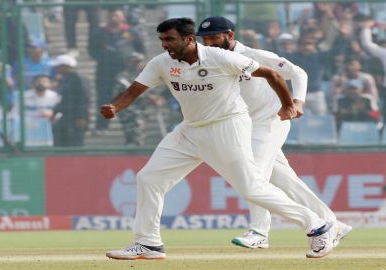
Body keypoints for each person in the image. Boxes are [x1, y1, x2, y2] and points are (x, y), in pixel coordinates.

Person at [100, 18, 339, 260]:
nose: (165, 45)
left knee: (252, 188)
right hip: (190, 129)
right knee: (149, 178)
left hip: (227, 126)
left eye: (170, 39)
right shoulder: (161, 63)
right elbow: (133, 91)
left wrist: (289, 105)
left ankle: (318, 226)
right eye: (162, 40)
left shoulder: (220, 57)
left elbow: (272, 74)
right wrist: (115, 107)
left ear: (189, 39)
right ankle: (148, 243)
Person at [197, 16, 351, 251]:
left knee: (253, 175)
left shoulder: (255, 56)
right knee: (286, 181)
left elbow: (298, 73)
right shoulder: (209, 61)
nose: (208, 43)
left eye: (214, 37)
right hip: (245, 126)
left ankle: (259, 232)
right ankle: (332, 223)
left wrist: (297, 102)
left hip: (271, 121)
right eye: (205, 39)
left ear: (230, 35)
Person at [88, 8, 145, 134]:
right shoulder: (99, 32)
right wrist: (105, 56)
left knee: (128, 100)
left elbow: (141, 50)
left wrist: (134, 61)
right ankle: (101, 127)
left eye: (116, 14)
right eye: (111, 14)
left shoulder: (132, 32)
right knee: (103, 97)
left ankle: (131, 133)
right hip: (105, 71)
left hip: (127, 72)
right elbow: (91, 50)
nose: (113, 17)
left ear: (122, 17)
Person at [50, 54, 88, 146]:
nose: (56, 68)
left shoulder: (78, 79)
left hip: (74, 117)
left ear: (66, 66)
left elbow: (82, 99)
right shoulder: (63, 79)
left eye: (58, 66)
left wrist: (81, 116)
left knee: (74, 143)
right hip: (64, 116)